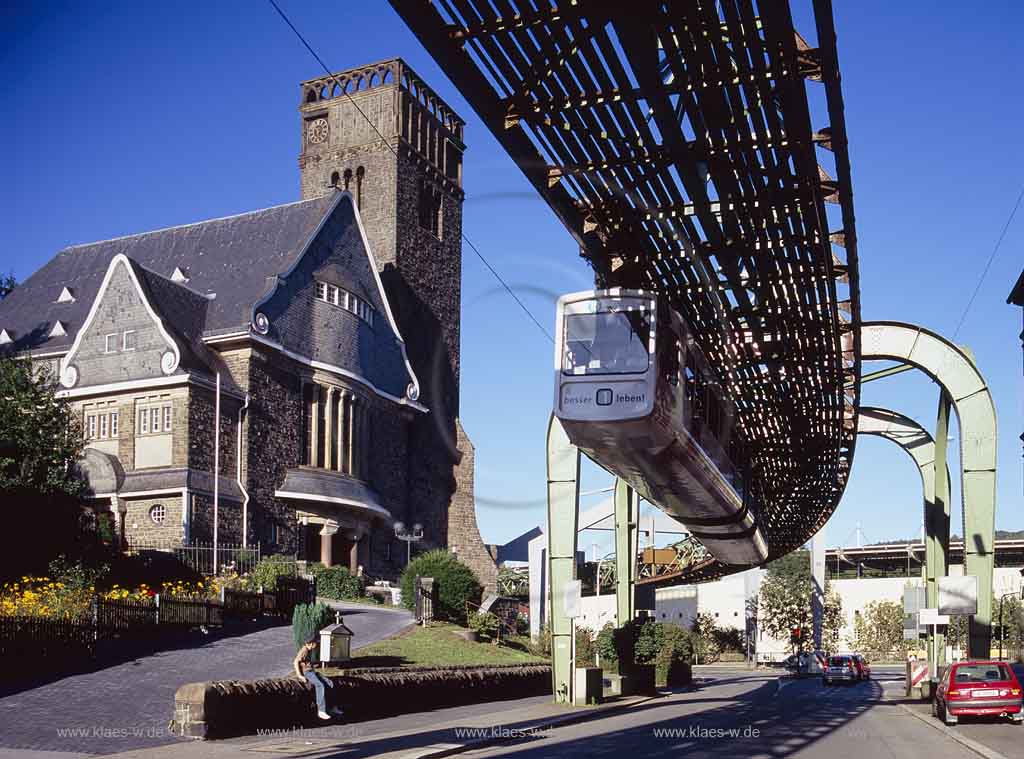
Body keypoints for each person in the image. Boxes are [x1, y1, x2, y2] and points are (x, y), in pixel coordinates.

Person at [293, 635, 343, 720]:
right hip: (307, 673)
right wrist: (300, 675)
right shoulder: (304, 650)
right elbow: (295, 662)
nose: (317, 643)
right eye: (316, 642)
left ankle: (332, 707)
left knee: (330, 683)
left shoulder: (308, 650)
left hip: (312, 671)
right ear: (311, 644)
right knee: (320, 685)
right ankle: (321, 710)